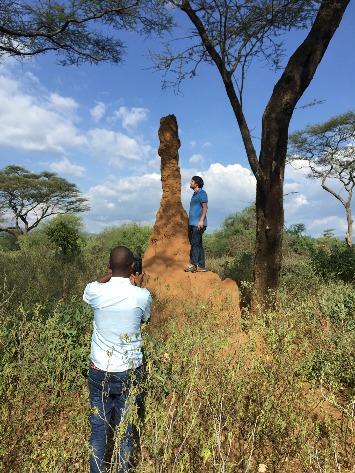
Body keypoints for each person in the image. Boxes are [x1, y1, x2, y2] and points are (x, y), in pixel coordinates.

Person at [83, 246, 152, 473]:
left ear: (109, 266)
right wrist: (137, 285)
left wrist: (112, 273)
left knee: (99, 428)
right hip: (130, 370)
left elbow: (94, 284)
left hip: (99, 369)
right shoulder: (142, 295)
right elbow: (145, 319)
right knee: (126, 427)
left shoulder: (95, 290)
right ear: (133, 267)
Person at [184, 175, 208, 273]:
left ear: (197, 183)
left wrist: (201, 220)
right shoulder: (195, 194)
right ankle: (202, 266)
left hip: (199, 224)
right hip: (193, 224)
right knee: (198, 244)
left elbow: (205, 207)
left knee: (195, 244)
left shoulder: (202, 193)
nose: (190, 183)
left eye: (192, 181)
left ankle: (194, 265)